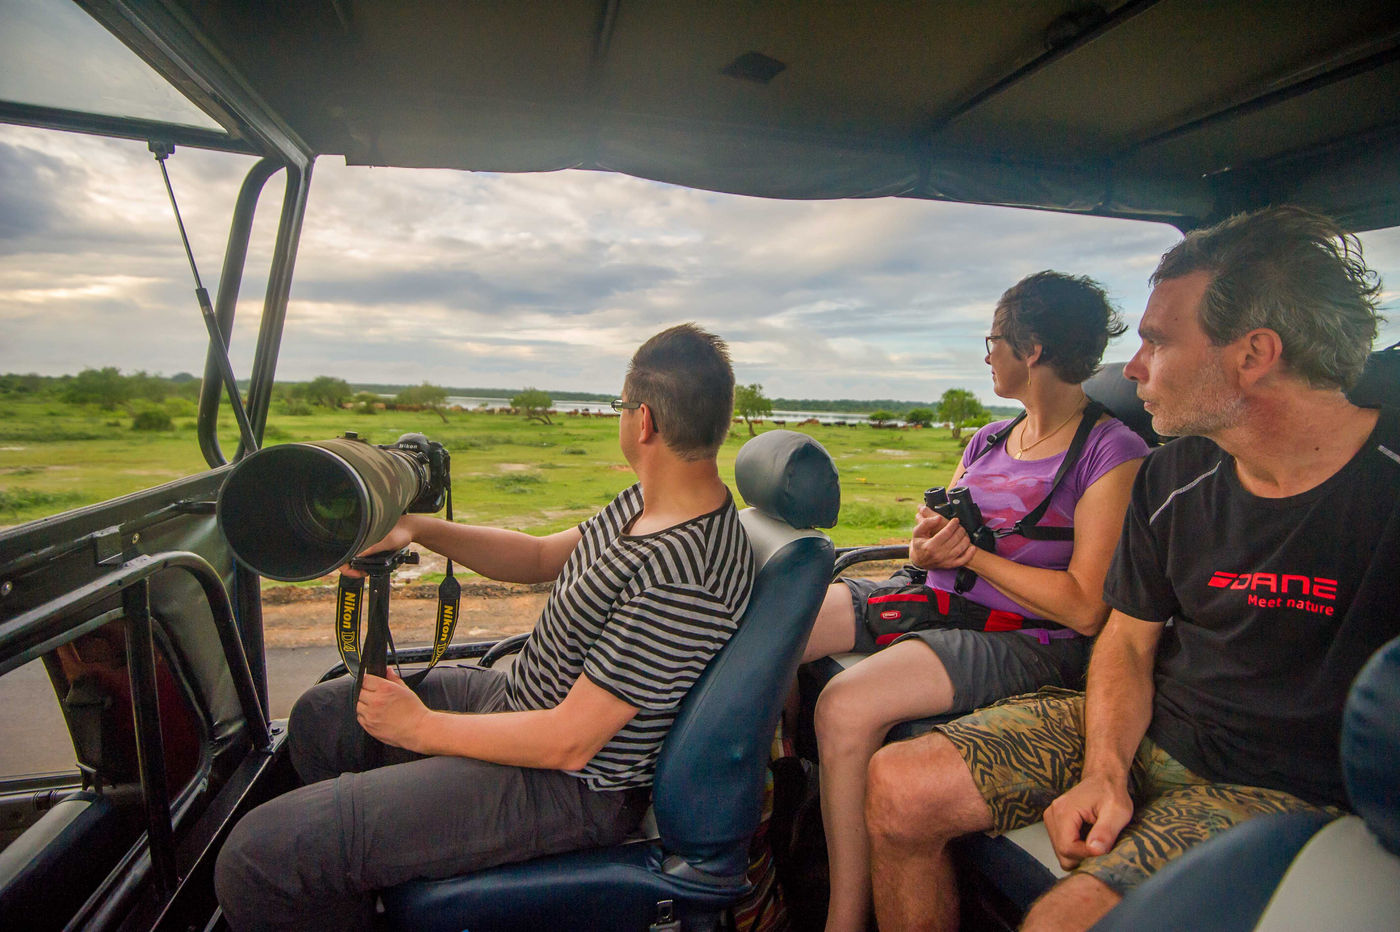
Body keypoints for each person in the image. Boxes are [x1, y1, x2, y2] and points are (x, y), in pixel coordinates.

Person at [863, 206, 1400, 932]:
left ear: (1253, 354)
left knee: (1065, 918)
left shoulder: (1384, 490)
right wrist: (1105, 771)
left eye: (1155, 342)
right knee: (898, 786)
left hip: (1281, 786)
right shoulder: (1172, 477)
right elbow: (1125, 638)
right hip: (1148, 729)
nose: (1133, 367)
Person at [214, 324, 753, 932]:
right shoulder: (647, 505)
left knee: (258, 860)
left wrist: (421, 729)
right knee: (321, 718)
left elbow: (570, 741)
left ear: (643, 420)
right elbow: (539, 557)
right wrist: (418, 529)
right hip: (520, 698)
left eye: (620, 407)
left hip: (570, 786)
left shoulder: (686, 572)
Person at [801, 272, 1149, 931]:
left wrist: (971, 558)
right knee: (780, 625)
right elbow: (925, 549)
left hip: (1027, 637)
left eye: (993, 340)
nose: (986, 355)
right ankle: (772, 827)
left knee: (844, 707)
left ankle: (841, 917)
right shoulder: (988, 439)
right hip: (933, 600)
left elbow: (1084, 608)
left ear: (1032, 349)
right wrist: (927, 548)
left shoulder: (1111, 451)